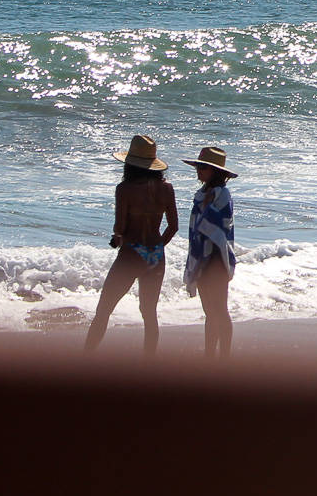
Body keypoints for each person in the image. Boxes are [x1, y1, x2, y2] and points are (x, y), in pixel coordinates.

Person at [84, 135, 179, 355]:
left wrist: (117, 239)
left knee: (104, 310)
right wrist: (156, 248)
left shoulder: (124, 189)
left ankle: (85, 359)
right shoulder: (167, 188)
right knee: (149, 312)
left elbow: (120, 228)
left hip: (131, 254)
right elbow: (173, 227)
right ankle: (149, 366)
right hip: (156, 255)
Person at [183, 146, 238, 361]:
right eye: (198, 166)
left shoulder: (222, 194)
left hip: (216, 258)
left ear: (215, 171)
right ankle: (209, 355)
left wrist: (207, 209)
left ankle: (223, 356)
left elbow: (220, 227)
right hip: (204, 258)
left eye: (203, 167)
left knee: (219, 309)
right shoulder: (204, 193)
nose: (199, 170)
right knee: (209, 311)